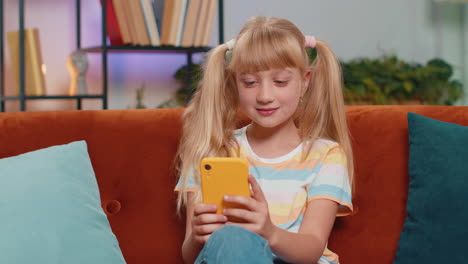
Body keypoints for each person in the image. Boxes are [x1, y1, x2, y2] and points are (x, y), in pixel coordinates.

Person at [174, 16, 354, 264]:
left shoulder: (326, 155)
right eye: (250, 82)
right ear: (235, 83)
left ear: (304, 82)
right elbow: (190, 255)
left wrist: (269, 232)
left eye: (280, 81)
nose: (265, 96)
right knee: (232, 238)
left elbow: (312, 248)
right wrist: (197, 236)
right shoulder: (212, 151)